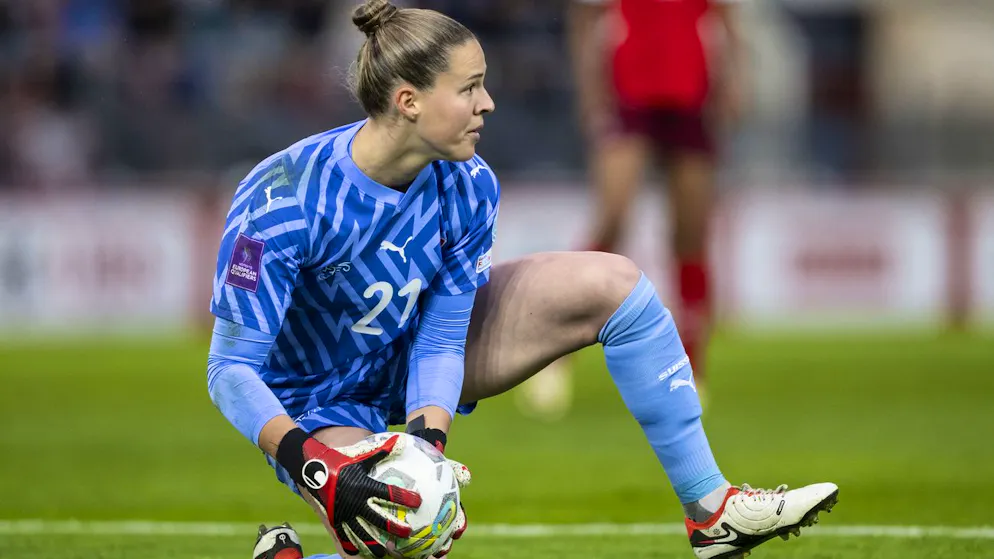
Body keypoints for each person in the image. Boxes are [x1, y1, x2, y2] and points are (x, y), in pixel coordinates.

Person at [205, 2, 838, 559]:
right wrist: (317, 468)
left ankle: (713, 512)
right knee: (418, 520)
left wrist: (427, 440)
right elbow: (231, 371)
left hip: (405, 356)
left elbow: (443, 334)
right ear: (409, 101)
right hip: (312, 402)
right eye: (471, 88)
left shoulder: (470, 182)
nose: (488, 104)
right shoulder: (280, 200)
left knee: (614, 284)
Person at [540, 0, 750, 412]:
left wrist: (733, 81)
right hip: (629, 93)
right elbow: (585, 19)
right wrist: (591, 89)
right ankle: (555, 356)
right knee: (613, 219)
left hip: (691, 94)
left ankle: (692, 368)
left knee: (690, 233)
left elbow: (728, 23)